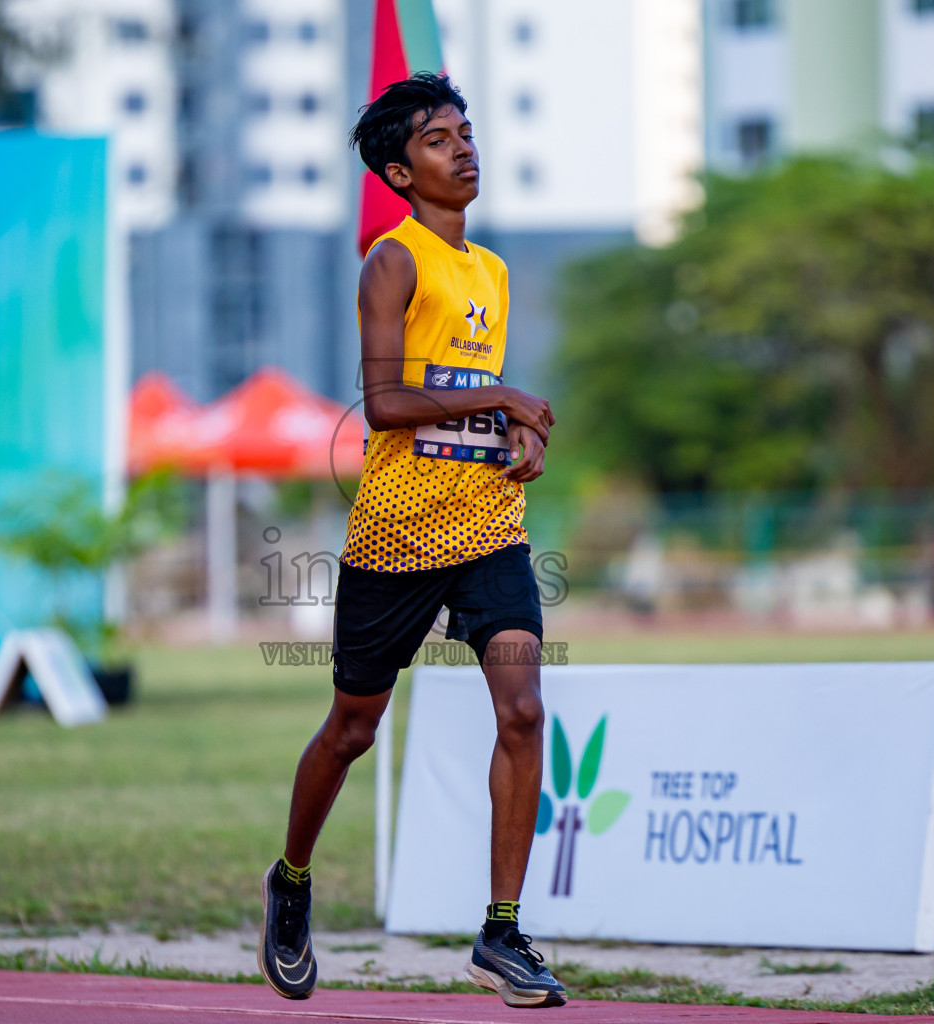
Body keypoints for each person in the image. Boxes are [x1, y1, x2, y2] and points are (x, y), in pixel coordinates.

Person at [257, 73, 564, 1009]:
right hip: (394, 537)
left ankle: (502, 935)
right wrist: (503, 397)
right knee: (353, 727)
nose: (463, 148)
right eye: (438, 139)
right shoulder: (392, 262)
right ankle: (292, 884)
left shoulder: (495, 271)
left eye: (465, 132)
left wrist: (517, 438)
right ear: (400, 170)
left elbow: (462, 394)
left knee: (522, 711)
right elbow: (388, 404)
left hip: (488, 531)